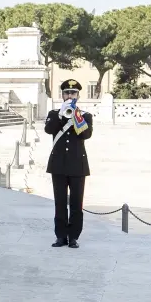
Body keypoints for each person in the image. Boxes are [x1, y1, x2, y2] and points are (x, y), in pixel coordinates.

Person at [44, 79, 93, 249]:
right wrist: (60, 115)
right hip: (58, 165)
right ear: (62, 94)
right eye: (67, 92)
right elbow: (49, 130)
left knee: (76, 204)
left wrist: (75, 115)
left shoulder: (85, 115)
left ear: (78, 96)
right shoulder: (53, 113)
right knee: (59, 202)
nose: (69, 95)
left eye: (73, 93)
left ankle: (73, 237)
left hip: (77, 166)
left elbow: (85, 134)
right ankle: (60, 236)